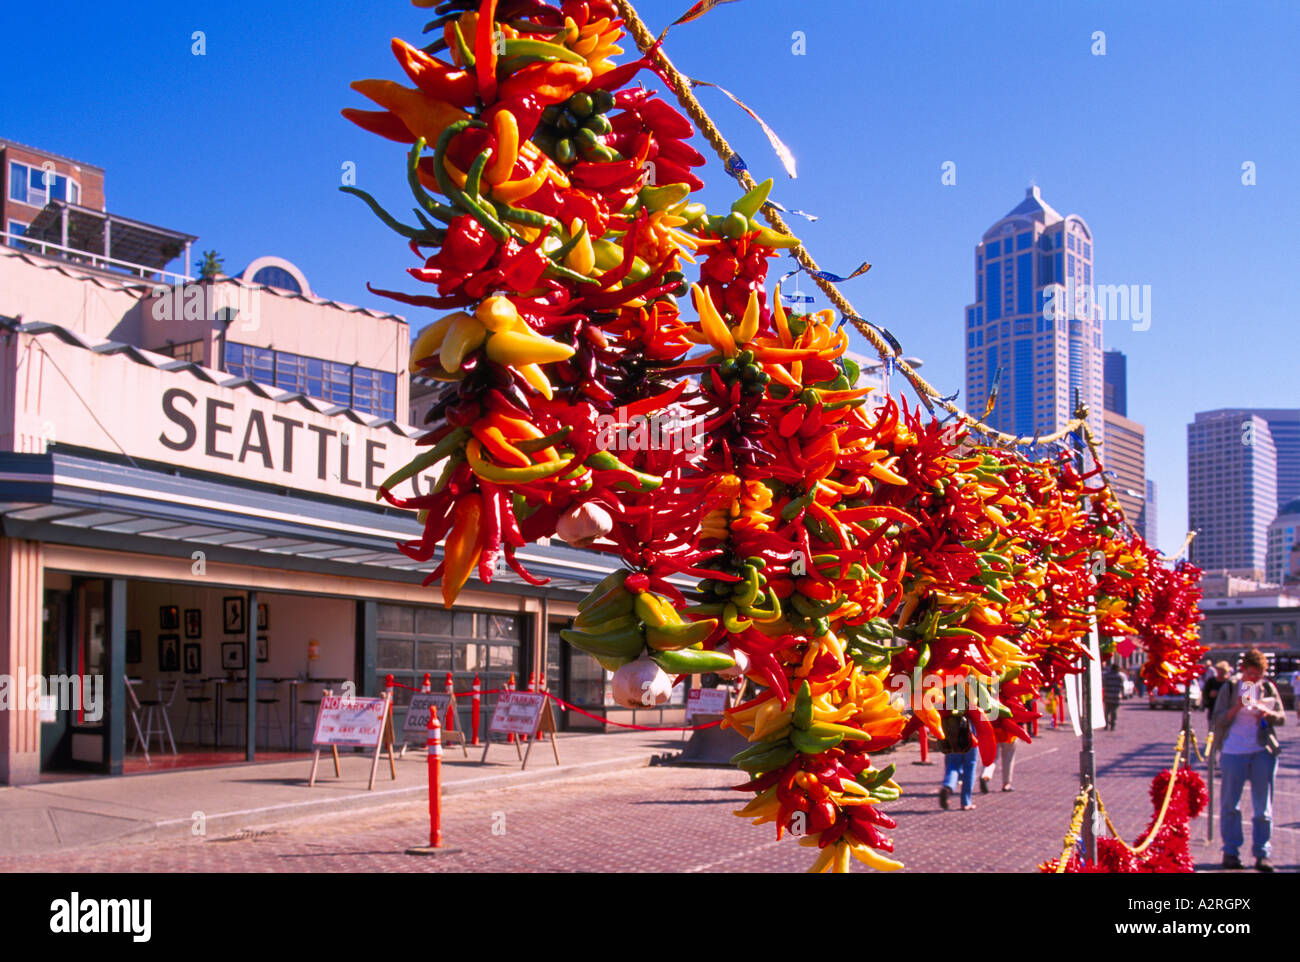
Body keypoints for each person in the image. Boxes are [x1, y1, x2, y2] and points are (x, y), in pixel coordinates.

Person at [1212, 649, 1286, 872]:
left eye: (1259, 675)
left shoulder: (1268, 687)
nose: (1255, 679)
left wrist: (1267, 713)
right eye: (1252, 674)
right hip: (1233, 750)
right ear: (1243, 670)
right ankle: (1231, 851)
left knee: (1263, 806)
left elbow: (1282, 717)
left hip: (1261, 750)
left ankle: (1262, 853)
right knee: (1230, 804)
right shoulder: (1230, 687)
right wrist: (1238, 706)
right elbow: (1217, 719)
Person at [938, 712, 979, 811]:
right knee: (970, 765)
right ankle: (966, 802)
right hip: (971, 730)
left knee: (953, 763)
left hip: (952, 728)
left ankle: (948, 786)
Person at [1101, 662, 1124, 731]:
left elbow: (1103, 684)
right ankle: (1113, 725)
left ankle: (1106, 724)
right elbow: (1122, 686)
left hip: (1107, 696)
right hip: (1116, 697)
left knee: (1106, 711)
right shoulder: (1120, 676)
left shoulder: (1107, 675)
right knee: (1114, 712)